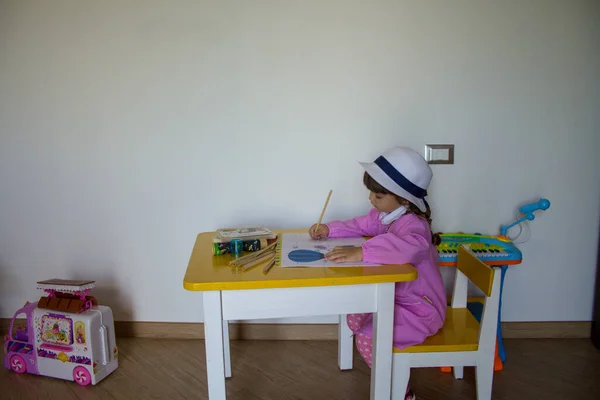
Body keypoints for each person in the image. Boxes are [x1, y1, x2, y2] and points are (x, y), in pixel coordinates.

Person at [309, 146, 446, 400]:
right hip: (398, 299)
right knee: (354, 310)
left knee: (365, 336)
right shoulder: (386, 216)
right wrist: (329, 230)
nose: (371, 199)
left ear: (404, 199)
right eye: (371, 193)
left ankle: (401, 392)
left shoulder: (413, 226)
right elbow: (359, 224)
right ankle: (387, 358)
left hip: (421, 311)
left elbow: (411, 248)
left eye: (378, 196)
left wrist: (362, 252)